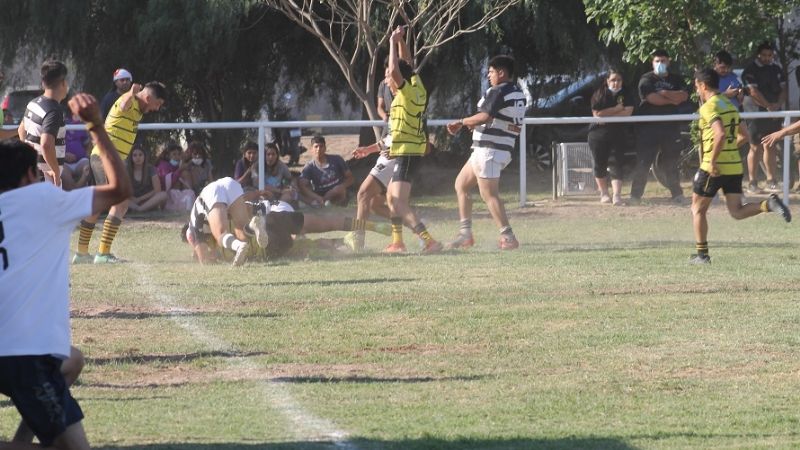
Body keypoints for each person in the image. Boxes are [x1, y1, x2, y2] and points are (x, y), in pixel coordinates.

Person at [0, 92, 132, 450]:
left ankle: (23, 437)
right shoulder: (44, 199)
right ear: (31, 175)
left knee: (72, 360)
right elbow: (122, 189)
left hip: (10, 348)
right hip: (23, 351)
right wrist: (95, 125)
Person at [689, 68, 790, 264]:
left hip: (714, 167)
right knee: (736, 211)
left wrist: (713, 160)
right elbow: (743, 136)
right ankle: (767, 204)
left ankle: (702, 255)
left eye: (696, 87)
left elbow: (719, 134)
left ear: (702, 85)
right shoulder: (729, 104)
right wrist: (726, 150)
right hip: (734, 165)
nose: (697, 91)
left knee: (697, 210)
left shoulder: (709, 107)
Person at [72, 81, 167, 264]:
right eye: (158, 104)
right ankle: (102, 254)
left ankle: (82, 253)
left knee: (100, 204)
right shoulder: (129, 100)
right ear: (148, 98)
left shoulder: (139, 109)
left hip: (107, 157)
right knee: (121, 202)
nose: (156, 109)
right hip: (105, 156)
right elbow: (123, 105)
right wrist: (131, 92)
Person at [445, 54, 526, 250]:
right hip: (492, 148)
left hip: (490, 149)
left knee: (489, 194)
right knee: (461, 185)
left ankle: (508, 237)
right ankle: (465, 234)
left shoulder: (497, 91)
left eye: (491, 72)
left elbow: (485, 115)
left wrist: (462, 122)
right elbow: (499, 120)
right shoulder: (517, 92)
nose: (489, 76)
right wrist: (481, 123)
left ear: (501, 72)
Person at [381, 25, 441, 253]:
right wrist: (401, 42)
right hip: (410, 151)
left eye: (388, 76)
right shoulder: (417, 86)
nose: (387, 78)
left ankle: (429, 241)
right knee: (390, 197)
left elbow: (398, 69)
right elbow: (406, 65)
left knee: (398, 201)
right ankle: (397, 242)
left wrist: (391, 42)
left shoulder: (405, 93)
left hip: (408, 153)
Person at [629, 49, 688, 205]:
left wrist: (664, 92)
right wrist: (672, 98)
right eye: (657, 61)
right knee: (644, 161)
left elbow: (683, 96)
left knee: (671, 162)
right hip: (648, 128)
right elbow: (652, 99)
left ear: (668, 61)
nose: (660, 64)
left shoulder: (676, 78)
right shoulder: (646, 79)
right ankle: (635, 196)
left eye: (663, 60)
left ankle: (677, 194)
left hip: (671, 127)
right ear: (652, 62)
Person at [184, 177, 269, 266]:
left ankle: (238, 246)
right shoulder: (201, 221)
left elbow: (204, 260)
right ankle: (252, 226)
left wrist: (202, 255)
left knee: (220, 234)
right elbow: (245, 198)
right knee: (241, 232)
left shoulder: (193, 229)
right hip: (230, 183)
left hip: (210, 192)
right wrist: (256, 193)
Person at [741, 42, 787, 193]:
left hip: (773, 113)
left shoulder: (776, 69)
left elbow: (784, 89)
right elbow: (753, 91)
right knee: (755, 146)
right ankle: (752, 183)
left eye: (770, 55)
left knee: (770, 145)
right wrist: (768, 106)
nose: (767, 58)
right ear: (758, 55)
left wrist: (777, 105)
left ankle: (771, 180)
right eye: (764, 55)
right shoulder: (750, 70)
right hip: (755, 112)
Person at [17, 60, 69, 187]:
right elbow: (46, 144)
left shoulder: (33, 103)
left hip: (33, 173)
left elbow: (21, 131)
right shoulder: (54, 110)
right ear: (63, 83)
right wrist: (55, 172)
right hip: (45, 178)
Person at [587, 70, 634, 206]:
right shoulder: (599, 94)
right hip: (597, 134)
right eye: (613, 80)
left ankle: (617, 195)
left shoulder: (626, 94)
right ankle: (604, 193)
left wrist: (607, 116)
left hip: (618, 133)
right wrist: (617, 108)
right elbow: (597, 113)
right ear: (607, 81)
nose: (616, 82)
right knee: (599, 163)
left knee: (617, 163)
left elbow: (628, 112)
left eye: (618, 80)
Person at [298, 134, 353, 207]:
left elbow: (350, 178)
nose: (318, 149)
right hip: (320, 195)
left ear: (325, 148)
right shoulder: (309, 166)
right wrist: (317, 197)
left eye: (321, 146)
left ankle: (338, 206)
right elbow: (302, 185)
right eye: (316, 146)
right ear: (311, 149)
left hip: (338, 193)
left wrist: (340, 187)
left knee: (341, 191)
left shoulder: (337, 159)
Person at [126, 146, 168, 212]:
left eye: (140, 155)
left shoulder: (151, 169)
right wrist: (131, 198)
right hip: (132, 201)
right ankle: (136, 208)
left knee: (163, 195)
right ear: (131, 157)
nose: (138, 157)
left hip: (148, 200)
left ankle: (140, 209)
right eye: (135, 155)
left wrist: (139, 199)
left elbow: (157, 190)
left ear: (144, 156)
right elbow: (122, 189)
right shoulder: (127, 170)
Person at [60, 113, 93, 191]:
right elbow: (50, 146)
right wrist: (63, 156)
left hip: (81, 161)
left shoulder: (82, 125)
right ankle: (75, 191)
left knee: (88, 167)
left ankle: (77, 189)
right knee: (63, 173)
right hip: (64, 163)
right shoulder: (57, 126)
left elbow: (87, 145)